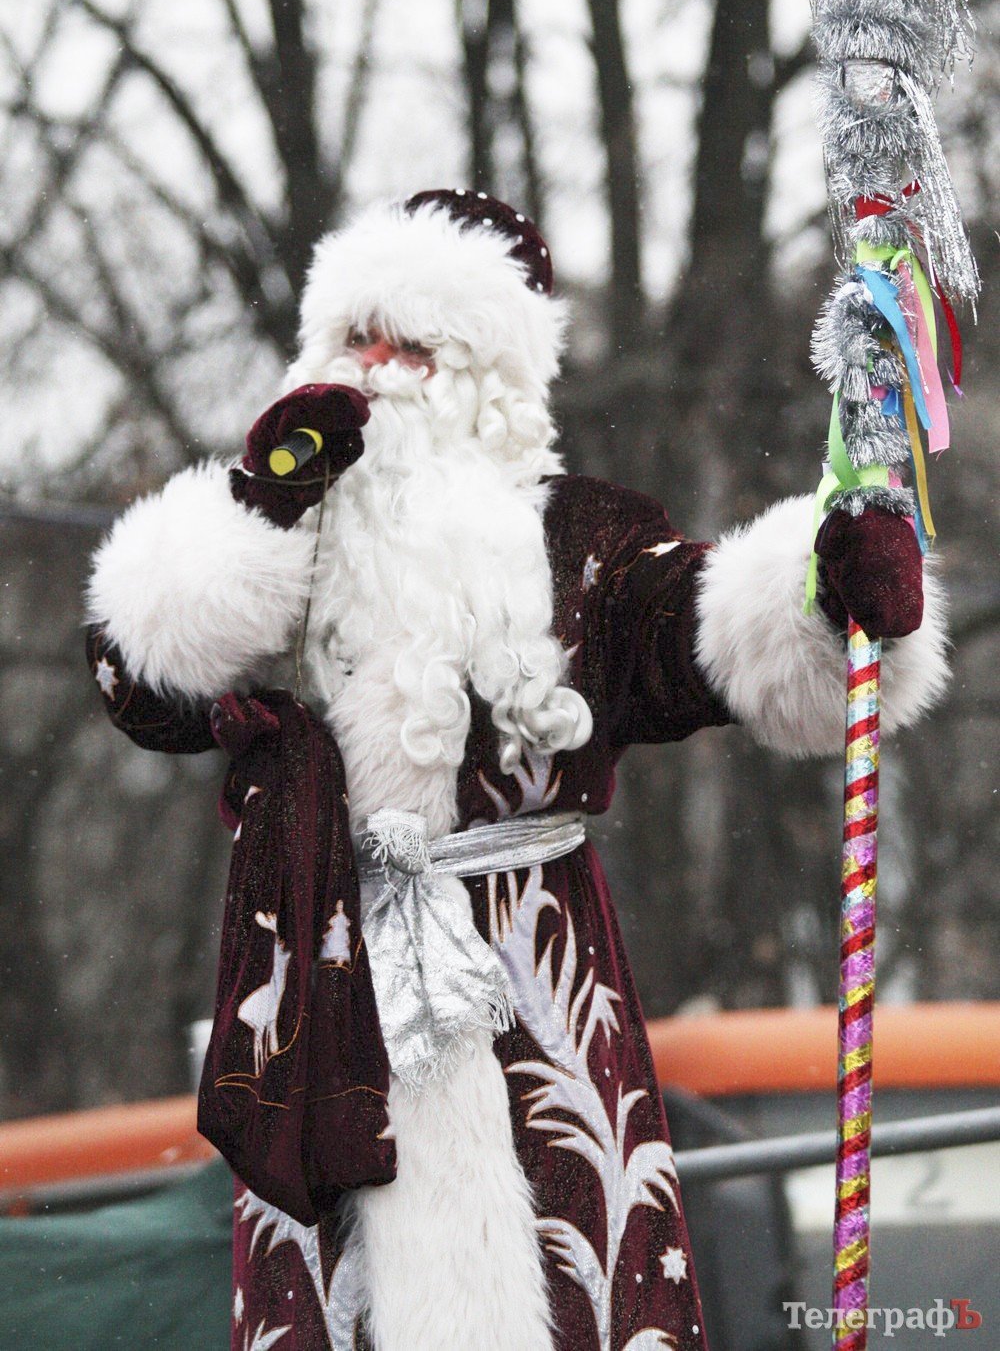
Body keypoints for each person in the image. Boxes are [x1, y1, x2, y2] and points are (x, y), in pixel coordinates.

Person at [86, 190, 944, 1351]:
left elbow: (704, 631)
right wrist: (262, 509)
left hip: (538, 993)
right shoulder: (270, 542)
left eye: (414, 347)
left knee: (576, 1280)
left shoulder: (580, 544)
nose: (375, 372)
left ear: (488, 377)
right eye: (354, 338)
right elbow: (140, 681)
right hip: (325, 1009)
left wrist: (829, 588)